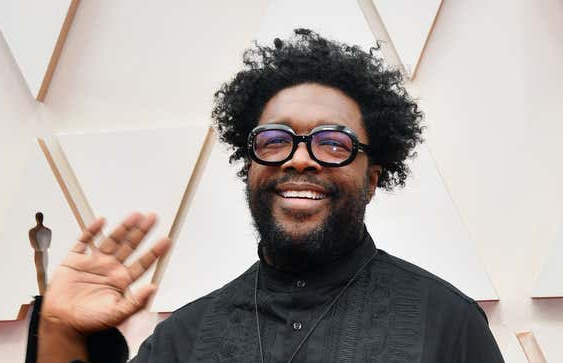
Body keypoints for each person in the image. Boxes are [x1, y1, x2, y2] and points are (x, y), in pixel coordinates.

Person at [34, 29, 504, 362]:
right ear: (250, 167)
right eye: (276, 140)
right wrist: (58, 333)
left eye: (333, 143)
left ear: (374, 177)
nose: (300, 159)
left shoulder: (445, 322)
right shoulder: (187, 337)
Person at [29, 212, 52, 295]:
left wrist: (40, 248)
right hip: (42, 252)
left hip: (40, 253)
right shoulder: (47, 231)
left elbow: (34, 244)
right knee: (42, 273)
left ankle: (43, 293)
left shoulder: (32, 231)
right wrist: (42, 247)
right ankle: (43, 293)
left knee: (42, 273)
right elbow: (47, 244)